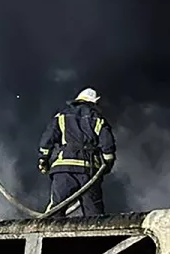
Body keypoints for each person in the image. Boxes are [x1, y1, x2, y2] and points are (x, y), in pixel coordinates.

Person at [38, 87, 116, 216]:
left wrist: (43, 160)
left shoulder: (61, 116)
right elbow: (108, 145)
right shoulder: (97, 118)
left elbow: (47, 140)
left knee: (55, 213)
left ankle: (53, 236)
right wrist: (107, 165)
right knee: (94, 216)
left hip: (64, 170)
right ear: (93, 103)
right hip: (89, 171)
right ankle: (98, 237)